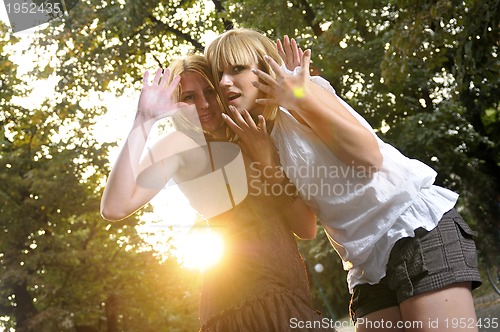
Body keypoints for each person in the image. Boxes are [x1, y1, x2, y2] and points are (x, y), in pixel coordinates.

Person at [206, 28, 482, 331]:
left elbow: (368, 156)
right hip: (365, 263)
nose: (224, 82)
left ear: (264, 67)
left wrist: (299, 98)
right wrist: (266, 159)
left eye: (237, 69)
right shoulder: (255, 139)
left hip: (411, 227)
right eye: (219, 74)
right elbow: (305, 227)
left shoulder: (306, 91)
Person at [100, 54, 328, 331]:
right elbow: (114, 207)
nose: (204, 105)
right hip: (241, 301)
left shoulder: (257, 130)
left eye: (209, 91)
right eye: (189, 97)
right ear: (175, 103)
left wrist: (267, 160)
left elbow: (306, 228)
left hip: (291, 292)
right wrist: (144, 120)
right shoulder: (180, 144)